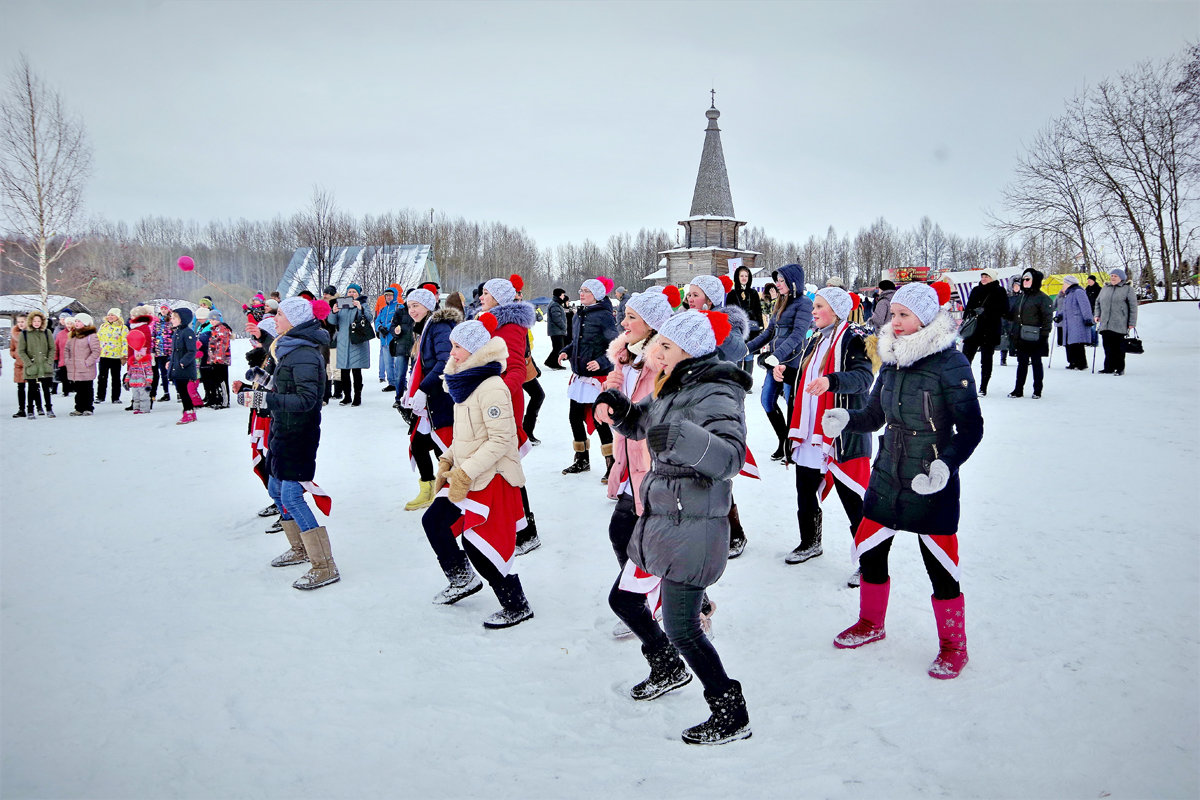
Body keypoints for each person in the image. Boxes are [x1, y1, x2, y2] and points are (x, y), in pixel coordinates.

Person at [595, 309, 753, 746]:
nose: (653, 351)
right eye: (657, 343)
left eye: (664, 345)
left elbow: (730, 458)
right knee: (624, 599)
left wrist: (682, 437)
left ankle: (730, 711)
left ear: (689, 350)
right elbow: (641, 422)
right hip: (663, 517)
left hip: (694, 522)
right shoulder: (674, 384)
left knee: (683, 626)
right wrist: (620, 410)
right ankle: (666, 666)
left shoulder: (717, 391)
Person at [821, 281, 983, 680]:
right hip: (888, 471)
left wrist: (946, 466)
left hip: (931, 476)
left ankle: (953, 645)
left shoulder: (951, 364)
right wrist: (848, 420)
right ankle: (871, 624)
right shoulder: (891, 359)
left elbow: (972, 428)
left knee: (940, 565)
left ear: (925, 318)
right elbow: (875, 415)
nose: (894, 322)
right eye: (892, 314)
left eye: (903, 315)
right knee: (870, 549)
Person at [421, 314, 534, 628]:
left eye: (458, 347)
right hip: (468, 470)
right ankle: (462, 579)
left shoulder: (491, 386)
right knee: (434, 521)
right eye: (451, 346)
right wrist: (449, 458)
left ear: (476, 351)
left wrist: (464, 471)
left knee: (480, 542)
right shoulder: (463, 382)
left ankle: (516, 605)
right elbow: (467, 435)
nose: (452, 353)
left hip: (491, 476)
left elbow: (500, 440)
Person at [236, 297, 339, 591]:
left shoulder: (304, 353)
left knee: (292, 496)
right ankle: (300, 548)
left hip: (300, 434)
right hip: (283, 430)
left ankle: (324, 565)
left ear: (293, 320)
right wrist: (259, 380)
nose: (275, 318)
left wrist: (263, 399)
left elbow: (308, 400)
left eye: (280, 314)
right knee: (275, 489)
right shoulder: (288, 348)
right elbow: (287, 386)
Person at [784, 287, 875, 582]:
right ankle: (810, 541)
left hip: (841, 434)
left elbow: (863, 378)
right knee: (805, 490)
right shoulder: (817, 339)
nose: (813, 311)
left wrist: (831, 381)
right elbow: (808, 378)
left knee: (853, 498)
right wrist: (785, 372)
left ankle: (869, 561)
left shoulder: (853, 338)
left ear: (835, 310)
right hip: (811, 431)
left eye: (819, 306)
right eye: (814, 306)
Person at [601, 287, 675, 637]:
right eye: (625, 314)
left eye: (632, 317)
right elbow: (615, 382)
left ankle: (676, 606)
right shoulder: (625, 354)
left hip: (654, 466)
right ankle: (644, 601)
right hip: (629, 461)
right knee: (623, 535)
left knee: (642, 540)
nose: (624, 321)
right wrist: (606, 396)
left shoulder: (662, 361)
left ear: (653, 324)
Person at [477, 275, 542, 554]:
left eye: (486, 293)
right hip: (490, 405)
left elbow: (515, 369)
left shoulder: (511, 326)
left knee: (508, 468)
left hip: (503, 408)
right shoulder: (487, 322)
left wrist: (497, 393)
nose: (481, 297)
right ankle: (509, 525)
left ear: (499, 298)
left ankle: (527, 533)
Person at [401, 288, 459, 512]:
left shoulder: (438, 327)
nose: (411, 310)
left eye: (416, 305)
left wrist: (423, 389)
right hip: (430, 401)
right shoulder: (424, 328)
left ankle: (448, 490)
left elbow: (445, 361)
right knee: (422, 444)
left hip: (439, 397)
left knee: (441, 446)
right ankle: (432, 489)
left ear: (427, 306)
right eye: (409, 306)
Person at [747, 264, 814, 461]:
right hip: (775, 362)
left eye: (782, 280)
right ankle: (783, 440)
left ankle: (792, 446)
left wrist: (779, 355)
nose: (778, 284)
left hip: (792, 362)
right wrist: (748, 347)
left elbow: (798, 334)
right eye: (777, 280)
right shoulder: (781, 301)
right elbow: (770, 332)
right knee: (767, 400)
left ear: (793, 282)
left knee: (791, 405)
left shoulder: (804, 303)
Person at [557, 277, 621, 479]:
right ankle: (582, 459)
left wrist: (601, 362)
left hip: (597, 379)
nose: (581, 293)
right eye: (581, 289)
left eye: (587, 291)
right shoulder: (578, 315)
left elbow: (616, 346)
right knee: (574, 417)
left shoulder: (604, 316)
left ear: (597, 295)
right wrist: (566, 351)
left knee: (600, 419)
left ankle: (611, 464)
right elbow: (576, 342)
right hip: (580, 376)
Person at [960, 269, 1008, 396]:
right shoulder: (976, 290)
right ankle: (964, 385)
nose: (984, 278)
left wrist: (986, 312)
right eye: (982, 276)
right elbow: (968, 307)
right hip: (974, 330)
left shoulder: (999, 291)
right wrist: (968, 317)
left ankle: (983, 387)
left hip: (990, 329)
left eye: (987, 276)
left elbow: (1004, 310)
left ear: (992, 278)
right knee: (965, 359)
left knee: (986, 360)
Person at [1007, 269, 1053, 399]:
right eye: (1023, 279)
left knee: (1036, 363)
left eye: (1028, 279)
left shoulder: (1042, 298)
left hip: (1036, 336)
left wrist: (1044, 334)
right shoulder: (1021, 297)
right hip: (1021, 336)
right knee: (1022, 363)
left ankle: (1037, 390)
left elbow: (1047, 317)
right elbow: (1015, 315)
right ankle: (1018, 389)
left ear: (1035, 281)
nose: (1025, 282)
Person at [327, 283, 372, 406]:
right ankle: (347, 396)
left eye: (354, 292)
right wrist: (334, 312)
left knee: (356, 371)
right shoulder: (342, 306)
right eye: (349, 292)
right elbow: (332, 321)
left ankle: (357, 396)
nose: (351, 294)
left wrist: (360, 309)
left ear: (358, 294)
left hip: (357, 342)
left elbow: (369, 318)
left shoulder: (363, 305)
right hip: (343, 342)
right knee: (344, 372)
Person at [1095, 268, 1138, 376]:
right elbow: (1098, 302)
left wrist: (1132, 322)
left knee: (1118, 348)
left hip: (1120, 322)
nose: (1113, 278)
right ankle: (1108, 367)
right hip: (1105, 323)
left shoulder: (1127, 289)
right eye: (1112, 275)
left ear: (1121, 278)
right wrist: (1097, 315)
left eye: (1115, 276)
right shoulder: (1105, 288)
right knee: (1107, 347)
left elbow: (1133, 306)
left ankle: (1119, 368)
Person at [17, 311, 55, 418]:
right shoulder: (25, 334)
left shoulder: (47, 333)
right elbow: (21, 351)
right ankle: (30, 410)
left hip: (44, 366)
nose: (37, 323)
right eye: (34, 321)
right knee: (32, 389)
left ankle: (49, 408)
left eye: (39, 321)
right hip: (32, 367)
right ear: (30, 321)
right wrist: (29, 363)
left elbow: (52, 348)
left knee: (46, 389)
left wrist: (49, 361)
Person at [1055, 275, 1096, 370]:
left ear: (1069, 283)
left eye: (1064, 283)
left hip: (1077, 322)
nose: (1063, 285)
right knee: (1069, 343)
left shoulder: (1078, 292)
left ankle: (1081, 363)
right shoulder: (1068, 294)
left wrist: (1088, 319)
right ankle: (1072, 362)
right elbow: (1065, 308)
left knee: (1077, 343)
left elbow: (1085, 306)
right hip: (1068, 322)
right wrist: (1059, 316)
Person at [64, 313, 100, 416]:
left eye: (79, 321)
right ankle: (79, 408)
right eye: (75, 321)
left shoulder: (91, 336)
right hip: (75, 367)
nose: (76, 323)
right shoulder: (73, 335)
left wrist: (87, 362)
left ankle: (88, 407)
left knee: (87, 388)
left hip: (86, 367)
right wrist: (68, 360)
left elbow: (96, 351)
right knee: (78, 389)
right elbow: (67, 349)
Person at [168, 307, 200, 424]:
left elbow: (192, 351)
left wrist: (182, 362)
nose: (172, 320)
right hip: (177, 367)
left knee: (183, 390)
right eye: (172, 317)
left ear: (183, 319)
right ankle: (189, 411)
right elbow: (175, 351)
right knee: (181, 390)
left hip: (184, 368)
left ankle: (188, 412)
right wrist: (170, 362)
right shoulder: (177, 332)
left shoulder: (188, 332)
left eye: (174, 318)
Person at [125, 305, 156, 414]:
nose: (131, 317)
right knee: (134, 380)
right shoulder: (134, 326)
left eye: (133, 315)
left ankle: (144, 406)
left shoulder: (142, 327)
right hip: (133, 356)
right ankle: (136, 404)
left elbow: (144, 344)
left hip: (139, 357)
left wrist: (139, 356)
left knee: (142, 382)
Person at [96, 308, 128, 405]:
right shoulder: (103, 326)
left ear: (117, 317)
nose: (110, 317)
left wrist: (124, 355)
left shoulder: (123, 327)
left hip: (116, 356)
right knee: (102, 377)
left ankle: (115, 397)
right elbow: (98, 339)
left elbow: (125, 342)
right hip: (104, 355)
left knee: (115, 378)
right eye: (109, 315)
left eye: (113, 315)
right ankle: (100, 396)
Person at [389, 289, 415, 408]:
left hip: (416, 346)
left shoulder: (419, 311)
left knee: (415, 373)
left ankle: (412, 397)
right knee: (400, 374)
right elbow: (393, 325)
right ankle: (398, 397)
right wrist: (395, 331)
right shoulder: (400, 311)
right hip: (402, 344)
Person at [375, 285, 402, 391]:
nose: (388, 297)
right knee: (387, 363)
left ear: (394, 296)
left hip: (395, 340)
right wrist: (379, 328)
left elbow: (397, 321)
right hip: (384, 340)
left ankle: (400, 382)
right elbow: (377, 321)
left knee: (398, 363)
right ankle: (391, 383)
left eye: (390, 295)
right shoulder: (383, 309)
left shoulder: (399, 307)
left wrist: (386, 327)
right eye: (386, 296)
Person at [151, 304, 174, 402]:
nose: (163, 311)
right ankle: (165, 393)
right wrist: (153, 349)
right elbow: (153, 336)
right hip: (159, 351)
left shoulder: (171, 322)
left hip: (168, 351)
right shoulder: (157, 323)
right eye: (162, 309)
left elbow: (174, 335)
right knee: (161, 373)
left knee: (170, 372)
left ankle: (175, 393)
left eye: (165, 309)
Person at [544, 288, 570, 370]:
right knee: (558, 348)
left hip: (557, 330)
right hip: (556, 331)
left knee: (558, 347)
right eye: (562, 294)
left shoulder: (556, 303)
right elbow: (557, 318)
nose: (563, 296)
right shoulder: (555, 304)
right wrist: (564, 326)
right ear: (559, 295)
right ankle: (551, 362)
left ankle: (553, 363)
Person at [9, 313, 27, 417]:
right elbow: (12, 349)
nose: (20, 324)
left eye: (22, 322)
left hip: (30, 364)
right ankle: (21, 409)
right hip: (19, 365)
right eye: (18, 322)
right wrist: (14, 355)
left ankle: (34, 407)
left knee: (34, 387)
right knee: (20, 387)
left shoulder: (30, 333)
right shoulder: (14, 334)